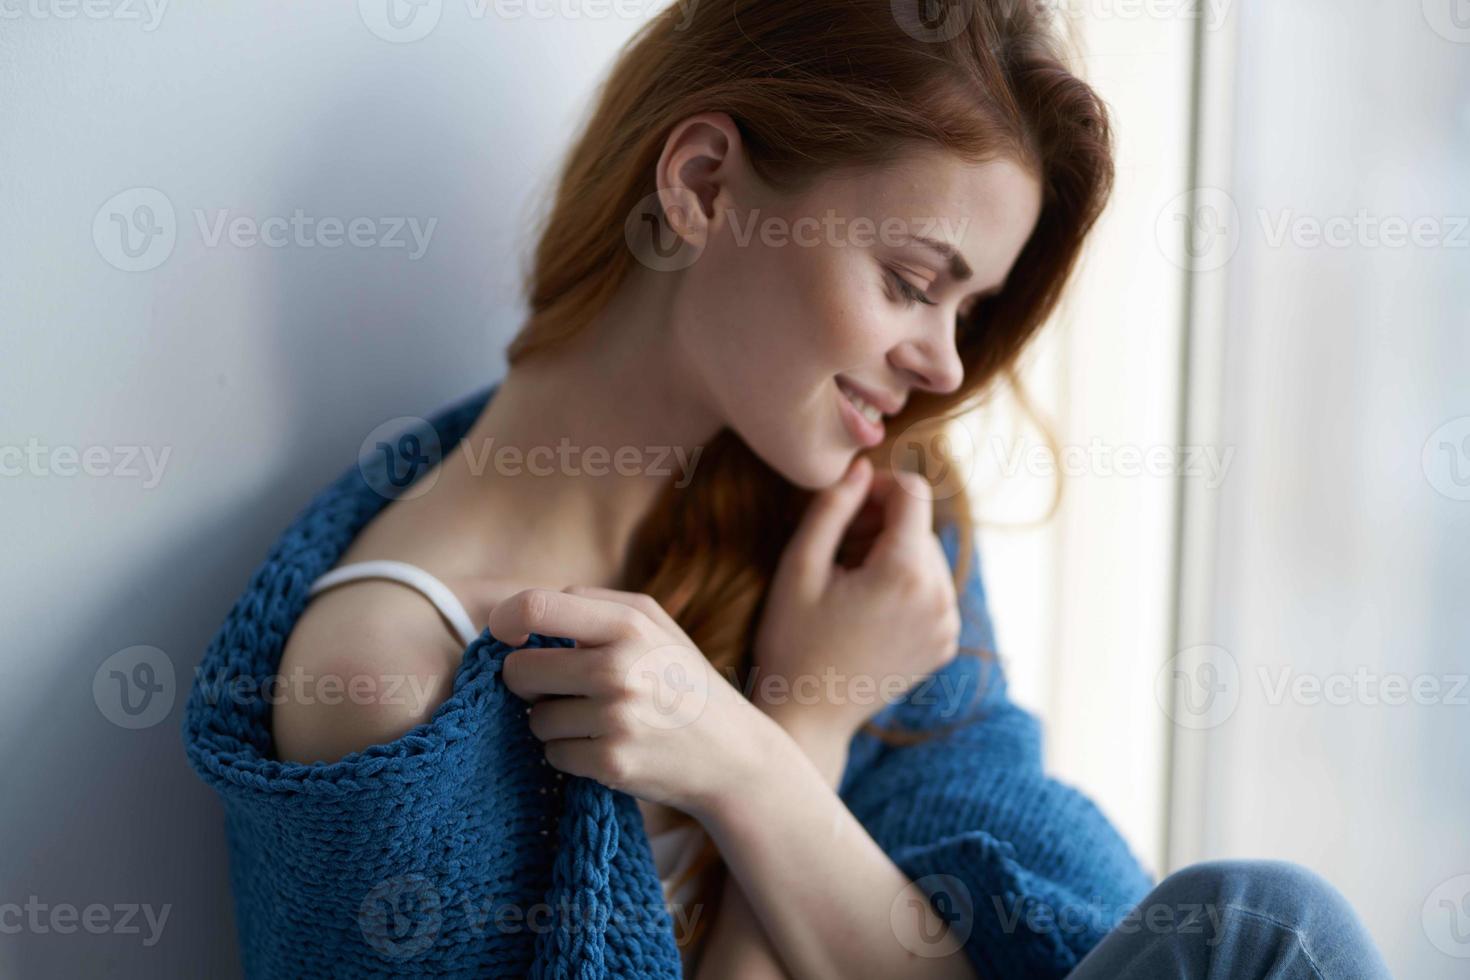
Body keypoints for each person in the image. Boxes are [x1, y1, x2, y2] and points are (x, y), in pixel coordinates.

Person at [192, 1, 1391, 976]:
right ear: (706, 185)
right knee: (1264, 930)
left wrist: (758, 750)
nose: (947, 361)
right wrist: (798, 729)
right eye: (914, 279)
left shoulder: (864, 523)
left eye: (968, 308)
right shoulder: (389, 678)